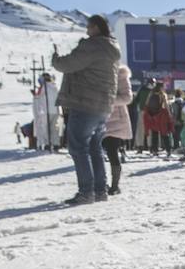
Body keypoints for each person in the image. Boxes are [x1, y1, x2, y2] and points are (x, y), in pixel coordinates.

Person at [52, 14, 121, 204]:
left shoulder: (92, 46)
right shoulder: (112, 48)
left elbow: (68, 64)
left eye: (89, 27)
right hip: (103, 106)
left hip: (85, 103)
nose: (87, 31)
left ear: (97, 28)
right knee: (94, 148)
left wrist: (56, 58)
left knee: (78, 147)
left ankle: (86, 191)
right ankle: (100, 190)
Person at [103, 64, 134, 194]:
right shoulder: (96, 73)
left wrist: (107, 100)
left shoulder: (121, 75)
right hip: (99, 118)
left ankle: (115, 185)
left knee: (112, 151)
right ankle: (101, 183)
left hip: (116, 120)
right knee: (98, 152)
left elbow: (127, 97)